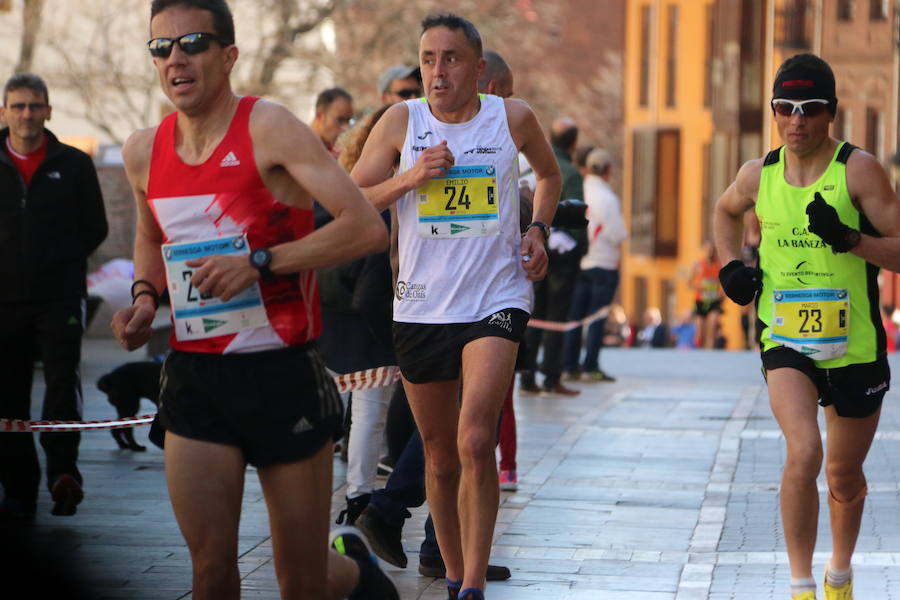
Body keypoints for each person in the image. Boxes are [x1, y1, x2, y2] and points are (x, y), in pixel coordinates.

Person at [109, 1, 396, 598]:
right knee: (211, 570)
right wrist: (143, 297)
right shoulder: (143, 150)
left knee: (301, 580)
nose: (175, 58)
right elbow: (149, 232)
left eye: (191, 43)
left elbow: (365, 226)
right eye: (161, 47)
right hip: (195, 376)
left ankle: (358, 577)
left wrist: (260, 263)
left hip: (282, 371)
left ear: (229, 55)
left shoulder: (268, 127)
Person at [349, 14, 561, 600]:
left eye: (451, 58)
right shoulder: (401, 121)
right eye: (428, 59)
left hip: (497, 296)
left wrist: (537, 229)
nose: (438, 72)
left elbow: (548, 173)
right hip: (422, 306)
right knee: (439, 458)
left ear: (479, 67)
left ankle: (472, 583)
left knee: (473, 439)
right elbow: (353, 196)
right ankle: (449, 572)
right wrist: (410, 177)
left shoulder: (510, 118)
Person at [714, 52, 898, 600]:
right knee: (804, 451)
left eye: (810, 108)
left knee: (842, 476)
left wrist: (851, 240)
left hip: (855, 344)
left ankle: (838, 575)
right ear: (774, 112)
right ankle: (799, 586)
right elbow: (725, 212)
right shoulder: (757, 174)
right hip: (785, 338)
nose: (797, 120)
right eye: (785, 108)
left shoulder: (858, 170)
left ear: (830, 113)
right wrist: (731, 266)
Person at [0, 73, 108, 520]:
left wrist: (57, 263)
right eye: (19, 106)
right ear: (5, 112)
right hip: (4, 302)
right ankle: (19, 489)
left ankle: (64, 474)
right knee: (8, 396)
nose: (27, 114)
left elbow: (95, 227)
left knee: (63, 384)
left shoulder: (74, 164)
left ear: (49, 111)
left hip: (60, 298)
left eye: (35, 106)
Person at [519, 116, 585, 396]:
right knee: (555, 317)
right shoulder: (568, 171)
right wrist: (577, 246)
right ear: (574, 142)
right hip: (561, 256)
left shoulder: (531, 166)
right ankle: (552, 376)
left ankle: (528, 375)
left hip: (534, 245)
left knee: (535, 314)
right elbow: (578, 215)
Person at [562, 147, 625, 381]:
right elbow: (616, 233)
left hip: (580, 261)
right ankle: (590, 365)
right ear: (608, 171)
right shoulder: (608, 199)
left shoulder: (579, 190)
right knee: (597, 317)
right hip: (604, 262)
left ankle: (569, 364)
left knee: (575, 317)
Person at [691, 241, 724, 349]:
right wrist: (699, 288)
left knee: (712, 325)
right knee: (700, 331)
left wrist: (722, 295)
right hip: (701, 301)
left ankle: (710, 352)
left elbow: (723, 283)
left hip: (714, 300)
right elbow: (689, 282)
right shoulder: (698, 265)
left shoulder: (719, 266)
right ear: (705, 251)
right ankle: (700, 348)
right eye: (708, 250)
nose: (710, 253)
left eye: (712, 251)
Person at [311, 87, 354, 159]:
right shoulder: (299, 148)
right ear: (320, 116)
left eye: (348, 121)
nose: (346, 127)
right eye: (340, 120)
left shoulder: (337, 152)